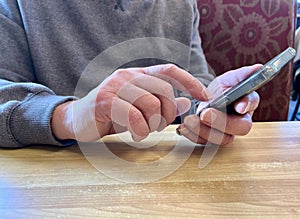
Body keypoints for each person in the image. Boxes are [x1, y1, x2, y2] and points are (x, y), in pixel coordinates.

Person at [0, 0, 260, 148]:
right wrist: (68, 116)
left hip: (165, 182)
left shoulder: (182, 5)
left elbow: (196, 85)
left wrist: (209, 108)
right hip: (52, 189)